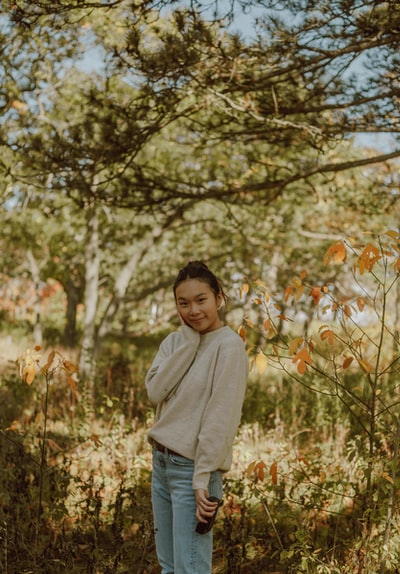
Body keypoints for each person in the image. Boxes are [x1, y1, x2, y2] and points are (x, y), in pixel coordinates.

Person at [145, 260, 249, 574]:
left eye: (201, 300)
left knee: (190, 568)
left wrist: (202, 478)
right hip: (161, 464)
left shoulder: (229, 347)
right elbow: (155, 391)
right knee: (169, 567)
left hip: (193, 472)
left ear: (219, 298)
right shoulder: (176, 342)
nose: (193, 310)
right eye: (184, 302)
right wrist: (189, 343)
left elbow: (221, 418)